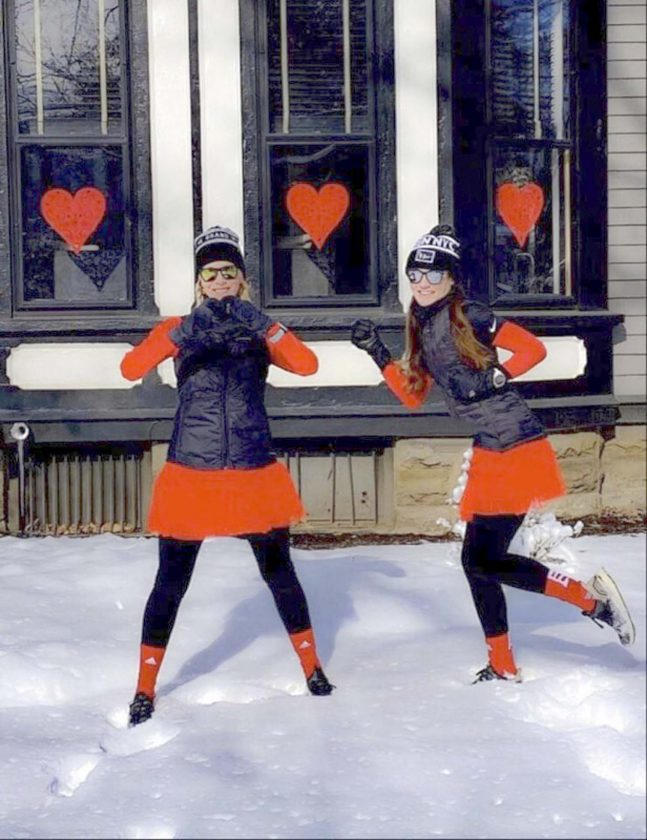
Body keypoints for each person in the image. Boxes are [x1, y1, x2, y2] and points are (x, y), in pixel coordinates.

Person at [350, 224, 635, 683]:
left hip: (518, 446)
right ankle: (505, 663)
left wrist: (494, 377)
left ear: (451, 277)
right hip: (490, 448)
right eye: (414, 275)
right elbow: (413, 395)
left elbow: (532, 349)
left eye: (432, 274)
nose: (421, 283)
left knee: (483, 561)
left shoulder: (470, 314)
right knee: (477, 562)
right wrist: (378, 353)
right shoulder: (421, 322)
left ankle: (591, 602)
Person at [120, 225, 334, 725]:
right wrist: (179, 332)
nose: (220, 281)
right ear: (199, 282)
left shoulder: (259, 328)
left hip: (251, 469)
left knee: (280, 574)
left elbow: (306, 364)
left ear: (242, 280)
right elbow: (131, 368)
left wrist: (262, 324)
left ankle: (313, 669)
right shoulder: (178, 326)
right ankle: (145, 688)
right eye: (211, 273)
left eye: (229, 273)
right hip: (191, 471)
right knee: (170, 584)